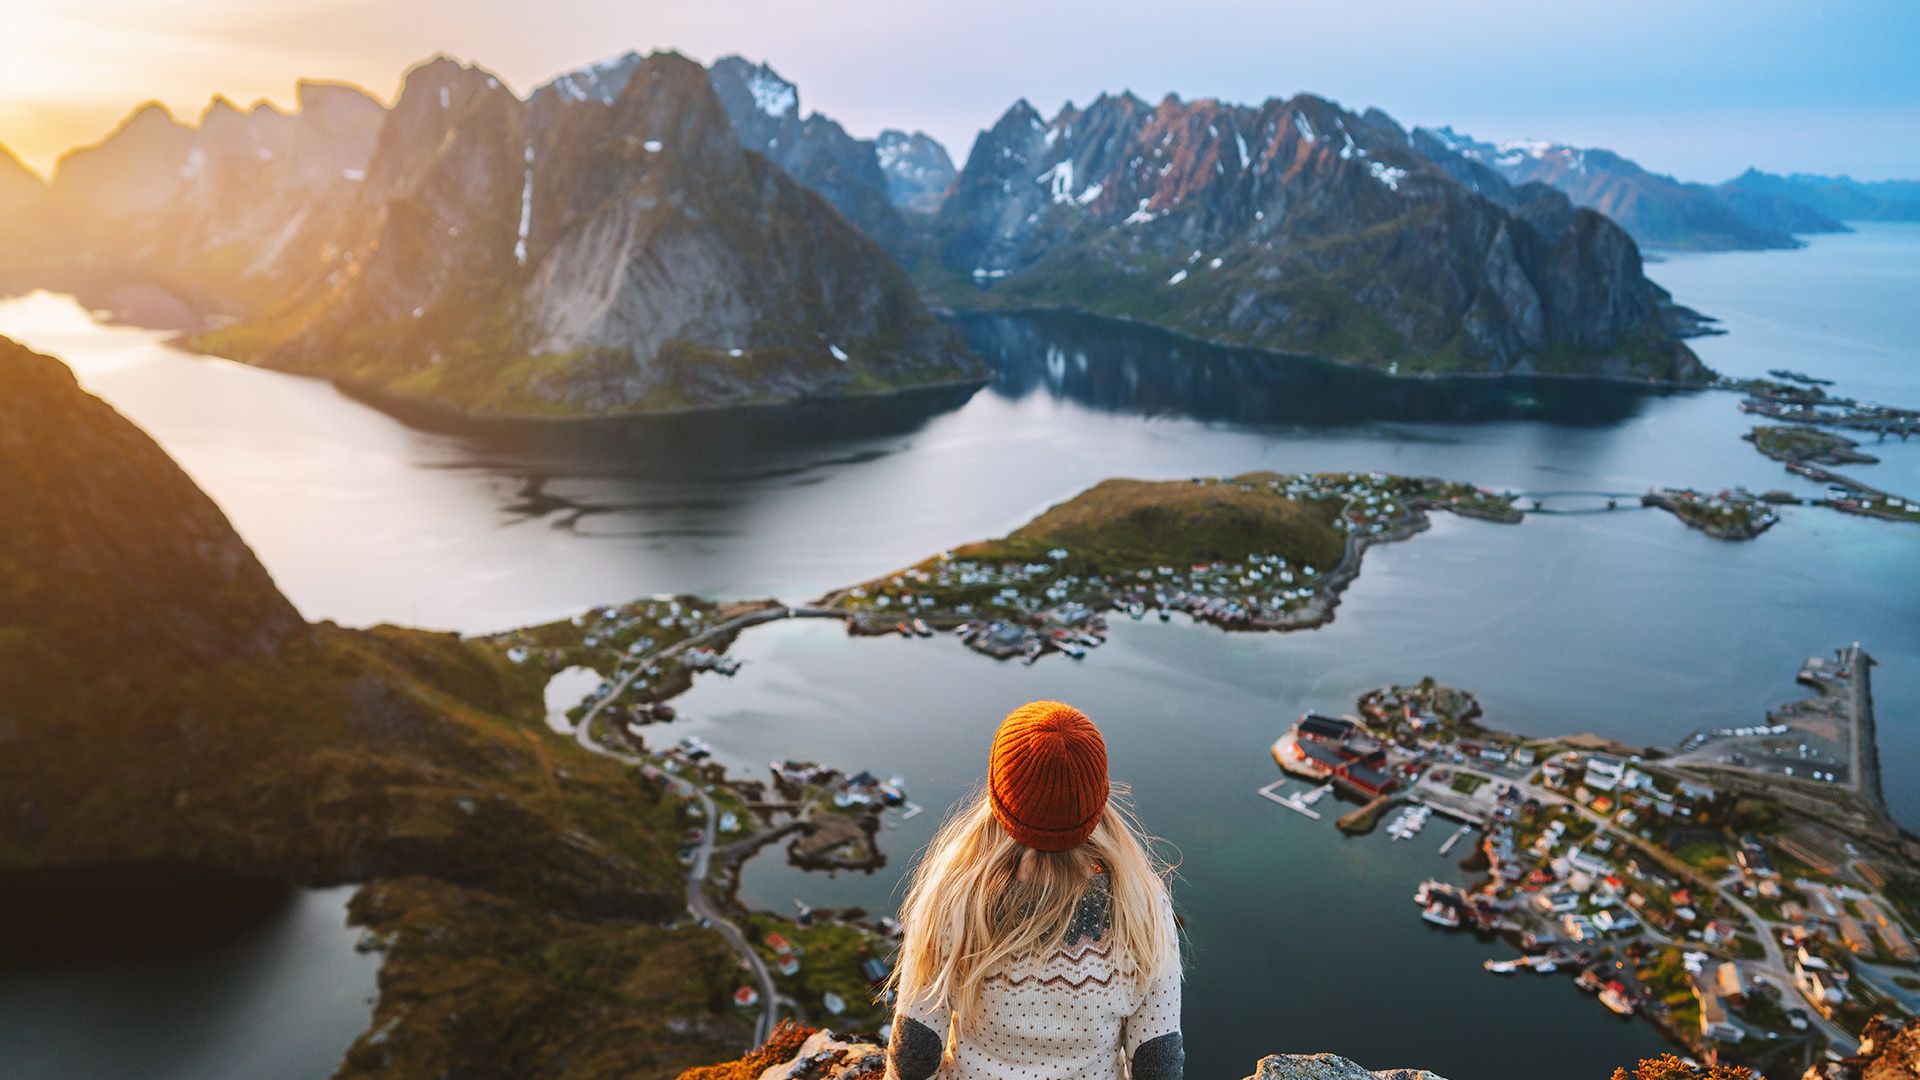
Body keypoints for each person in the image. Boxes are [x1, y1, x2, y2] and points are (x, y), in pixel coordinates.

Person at [884, 701, 1183, 1080]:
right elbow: (1157, 1058)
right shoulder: (1141, 907)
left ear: (999, 794)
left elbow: (915, 1053)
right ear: (1096, 800)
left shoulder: (954, 898)